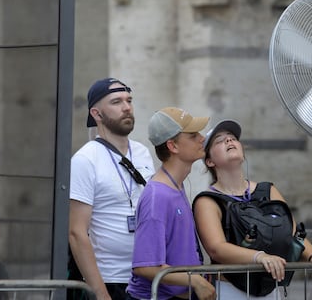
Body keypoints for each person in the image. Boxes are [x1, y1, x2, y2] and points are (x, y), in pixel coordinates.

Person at [193, 120, 312, 300]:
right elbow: (216, 248)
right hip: (231, 290)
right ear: (210, 161)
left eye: (233, 138)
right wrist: (259, 257)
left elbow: (292, 233)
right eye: (220, 141)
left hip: (271, 287)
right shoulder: (208, 200)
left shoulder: (268, 190)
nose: (229, 141)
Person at [69, 77, 155, 300]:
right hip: (111, 281)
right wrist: (100, 294)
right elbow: (77, 232)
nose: (127, 108)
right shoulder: (85, 159)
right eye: (116, 102)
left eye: (129, 100)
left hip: (150, 275)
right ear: (96, 114)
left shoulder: (143, 152)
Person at [126, 107, 216, 300]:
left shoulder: (174, 186)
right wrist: (196, 281)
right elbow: (145, 265)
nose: (202, 138)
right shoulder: (158, 195)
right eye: (193, 135)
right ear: (173, 146)